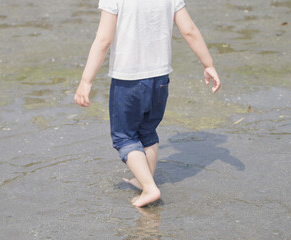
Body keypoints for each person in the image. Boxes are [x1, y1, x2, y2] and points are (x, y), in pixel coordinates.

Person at [74, 0, 221, 207]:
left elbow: (104, 40)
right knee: (147, 130)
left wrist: (86, 80)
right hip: (160, 78)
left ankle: (150, 188)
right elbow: (189, 30)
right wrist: (208, 64)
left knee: (124, 137)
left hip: (128, 80)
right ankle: (145, 181)